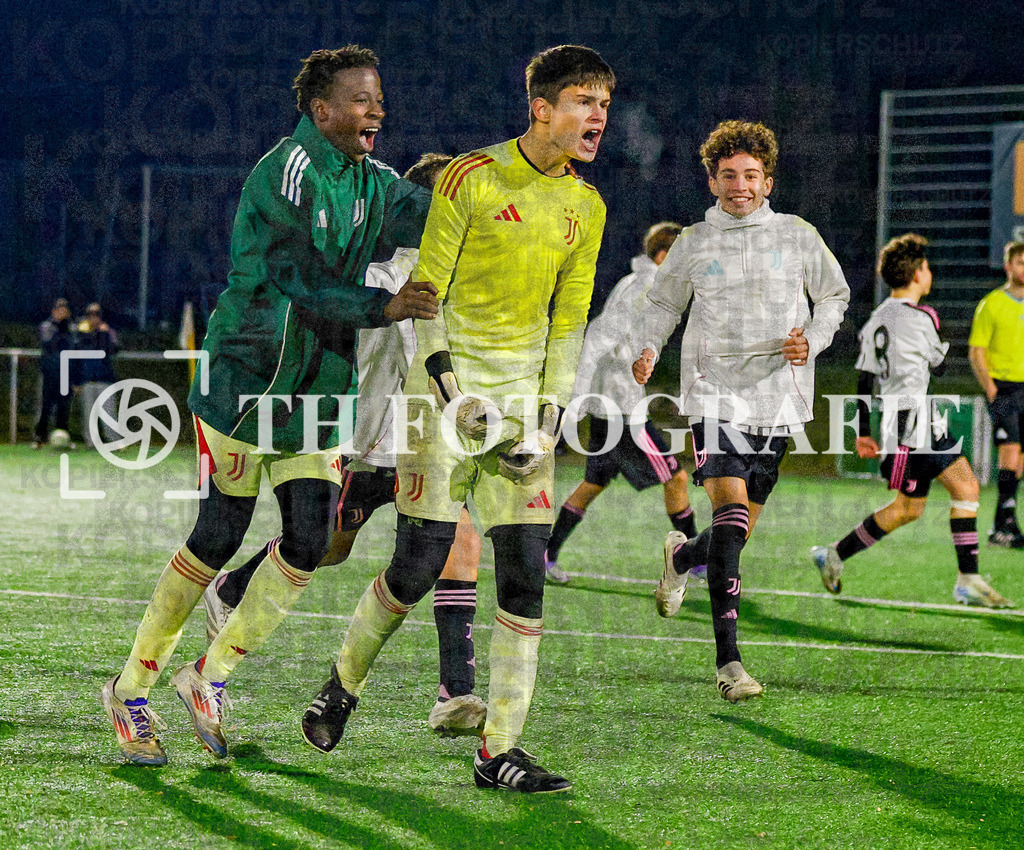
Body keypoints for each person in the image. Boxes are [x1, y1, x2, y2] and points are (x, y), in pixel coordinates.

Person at [101, 45, 438, 767]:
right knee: (218, 536)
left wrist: (508, 198)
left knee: (310, 540)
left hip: (316, 389)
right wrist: (385, 304)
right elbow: (302, 280)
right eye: (359, 99)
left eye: (378, 99)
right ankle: (130, 690)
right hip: (250, 383)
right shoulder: (285, 173)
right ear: (320, 110)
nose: (375, 110)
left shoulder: (372, 180)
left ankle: (208, 677)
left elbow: (440, 214)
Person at [299, 44, 615, 795]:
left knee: (524, 579)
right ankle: (339, 687)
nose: (598, 116)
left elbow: (568, 325)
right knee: (417, 564)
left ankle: (497, 750)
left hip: (519, 414)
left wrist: (545, 421)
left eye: (604, 103)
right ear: (541, 108)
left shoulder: (588, 207)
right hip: (439, 403)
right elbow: (425, 293)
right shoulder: (471, 178)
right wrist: (453, 395)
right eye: (583, 102)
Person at [201, 153, 490, 738]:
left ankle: (454, 693)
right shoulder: (383, 273)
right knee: (327, 547)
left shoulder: (466, 278)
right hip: (362, 443)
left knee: (460, 546)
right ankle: (231, 587)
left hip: (421, 445)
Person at [631, 120, 849, 703]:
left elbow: (835, 296)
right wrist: (650, 349)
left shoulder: (799, 236)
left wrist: (815, 337)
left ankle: (682, 554)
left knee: (734, 534)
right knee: (729, 516)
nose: (740, 186)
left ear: (767, 180)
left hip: (779, 399)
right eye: (729, 175)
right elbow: (662, 303)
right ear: (712, 181)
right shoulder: (696, 242)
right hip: (714, 394)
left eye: (750, 175)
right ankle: (729, 664)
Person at [811, 234, 1014, 608]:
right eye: (927, 267)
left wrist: (863, 433)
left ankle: (838, 555)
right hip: (912, 422)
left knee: (935, 499)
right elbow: (938, 366)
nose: (930, 272)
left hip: (902, 421)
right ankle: (964, 579)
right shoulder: (924, 317)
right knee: (941, 497)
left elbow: (864, 379)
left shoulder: (876, 319)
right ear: (918, 274)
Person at [544, 221, 697, 584]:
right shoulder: (643, 287)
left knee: (594, 482)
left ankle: (545, 554)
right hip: (622, 410)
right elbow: (597, 338)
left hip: (613, 405)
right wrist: (577, 399)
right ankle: (694, 560)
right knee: (675, 476)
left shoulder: (643, 284)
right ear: (663, 256)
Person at [968, 240, 1024, 548]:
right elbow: (977, 351)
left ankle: (1005, 524)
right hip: (1003, 388)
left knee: (1020, 457)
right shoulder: (991, 303)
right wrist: (991, 389)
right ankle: (1003, 526)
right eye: (1020, 263)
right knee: (1010, 450)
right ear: (1008, 266)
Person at [33, 297, 76, 449]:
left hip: (66, 374)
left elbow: (74, 347)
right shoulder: (47, 326)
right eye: (59, 309)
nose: (62, 312)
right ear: (53, 311)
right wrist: (61, 327)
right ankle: (40, 437)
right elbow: (49, 343)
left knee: (63, 407)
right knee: (45, 406)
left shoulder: (72, 327)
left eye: (64, 309)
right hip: (49, 373)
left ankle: (63, 438)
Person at [76, 303, 120, 447]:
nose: (93, 318)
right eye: (90, 315)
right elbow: (76, 357)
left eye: (96, 315)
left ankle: (113, 441)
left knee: (108, 413)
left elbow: (114, 349)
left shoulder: (108, 332)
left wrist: (103, 333)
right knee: (88, 414)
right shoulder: (81, 333)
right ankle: (91, 442)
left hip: (104, 379)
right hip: (87, 379)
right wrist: (76, 381)